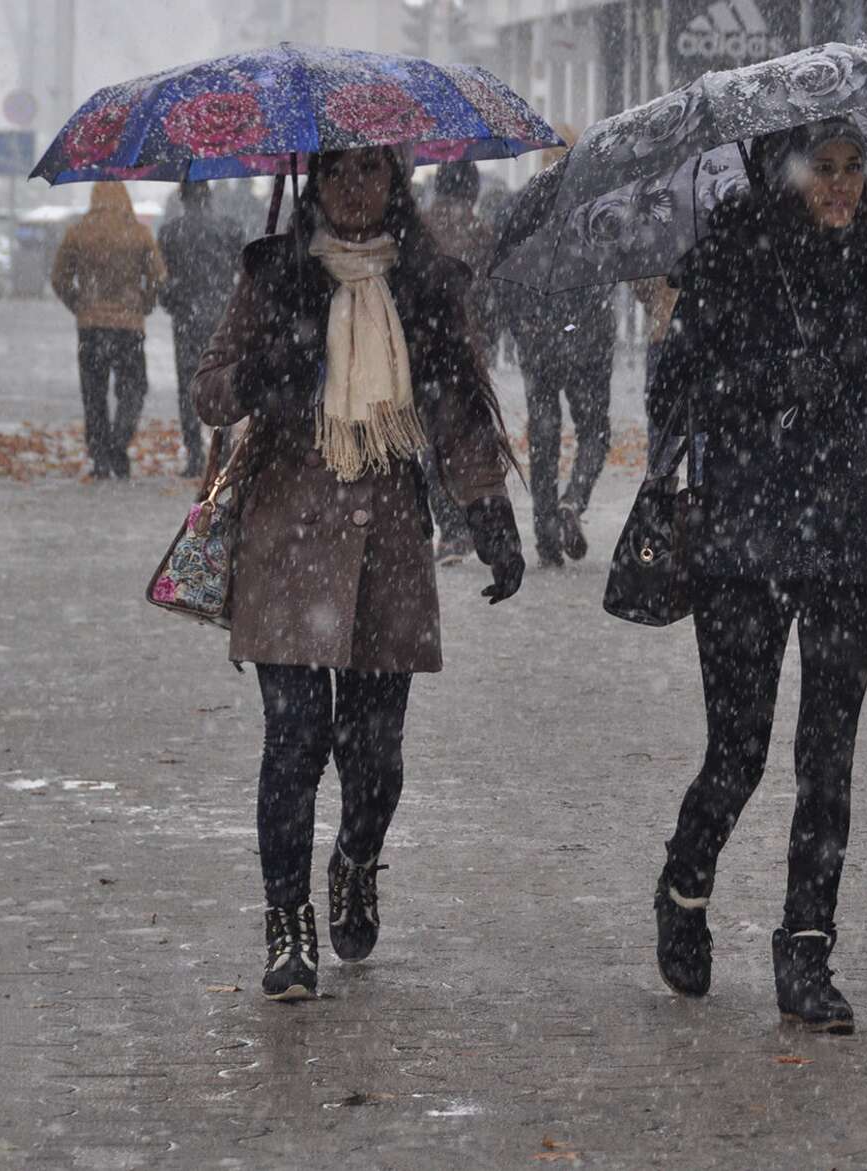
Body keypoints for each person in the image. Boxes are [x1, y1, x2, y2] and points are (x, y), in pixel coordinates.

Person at [647, 118, 867, 1035]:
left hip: (846, 542)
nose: (841, 187)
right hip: (744, 537)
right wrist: (768, 381)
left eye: (853, 170)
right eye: (823, 170)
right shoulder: (731, 255)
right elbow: (674, 394)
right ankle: (685, 883)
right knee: (738, 751)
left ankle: (807, 948)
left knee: (827, 761)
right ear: (785, 175)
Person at [193, 146, 527, 1002]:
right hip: (288, 544)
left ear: (395, 180)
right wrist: (266, 369)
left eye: (370, 171)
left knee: (374, 757)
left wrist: (491, 519)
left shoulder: (426, 286)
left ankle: (355, 858)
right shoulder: (274, 276)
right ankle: (287, 924)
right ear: (313, 180)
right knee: (295, 742)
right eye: (337, 171)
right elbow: (210, 391)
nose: (352, 188)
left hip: (387, 547)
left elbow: (457, 409)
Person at [50, 182, 165, 479]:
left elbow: (59, 277)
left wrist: (78, 303)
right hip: (129, 326)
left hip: (91, 326)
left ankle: (100, 455)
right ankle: (119, 440)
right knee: (134, 388)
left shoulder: (78, 232)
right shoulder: (139, 233)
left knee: (94, 392)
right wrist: (145, 303)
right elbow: (158, 278)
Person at [504, 275, 615, 567]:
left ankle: (547, 539)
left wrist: (526, 329)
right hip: (588, 337)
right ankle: (573, 501)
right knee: (594, 430)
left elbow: (505, 288)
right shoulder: (593, 236)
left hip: (539, 341)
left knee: (544, 438)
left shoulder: (525, 239)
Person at [421, 160, 501, 564]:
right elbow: (489, 295)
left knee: (430, 440)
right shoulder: (481, 232)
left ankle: (450, 530)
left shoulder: (418, 228)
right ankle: (468, 520)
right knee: (463, 435)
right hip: (465, 349)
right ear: (472, 190)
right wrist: (486, 336)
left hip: (424, 351)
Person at [156, 181, 247, 477]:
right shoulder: (230, 228)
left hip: (187, 319)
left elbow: (166, 279)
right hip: (224, 316)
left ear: (182, 197)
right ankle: (222, 452)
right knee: (225, 381)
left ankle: (195, 453)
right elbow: (241, 270)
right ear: (209, 196)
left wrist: (173, 300)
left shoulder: (170, 233)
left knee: (189, 384)